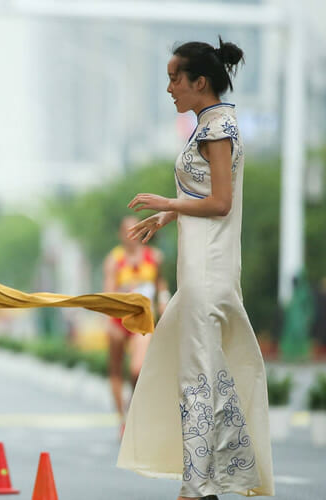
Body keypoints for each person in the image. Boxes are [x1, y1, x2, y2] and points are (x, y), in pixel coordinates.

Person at [116, 38, 273, 499]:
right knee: (200, 376)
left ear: (199, 82)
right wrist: (168, 215)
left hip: (208, 275)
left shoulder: (218, 127)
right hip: (199, 274)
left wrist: (168, 201)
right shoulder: (209, 123)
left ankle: (196, 487)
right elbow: (204, 192)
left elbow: (220, 202)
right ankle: (212, 479)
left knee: (198, 380)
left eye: (174, 78)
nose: (168, 88)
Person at [103, 215, 168, 437]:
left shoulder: (155, 257)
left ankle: (132, 408)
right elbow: (108, 293)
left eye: (136, 231)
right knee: (116, 368)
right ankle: (122, 419)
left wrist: (163, 298)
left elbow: (160, 283)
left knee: (137, 369)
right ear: (121, 235)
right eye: (127, 231)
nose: (132, 236)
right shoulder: (114, 260)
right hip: (118, 320)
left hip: (142, 319)